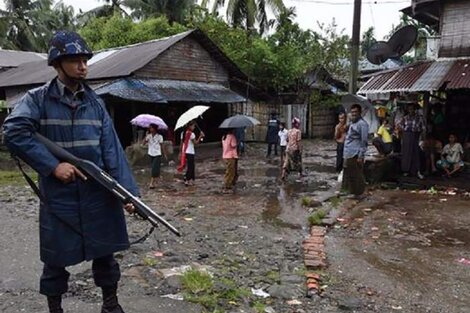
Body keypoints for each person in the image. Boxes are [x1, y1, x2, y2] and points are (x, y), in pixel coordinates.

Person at [2, 31, 137, 313]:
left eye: (85, 60)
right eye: (74, 60)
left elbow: (112, 150)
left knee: (105, 255)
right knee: (55, 259)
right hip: (59, 195)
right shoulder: (37, 99)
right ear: (56, 63)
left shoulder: (96, 103)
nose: (83, 66)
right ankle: (55, 309)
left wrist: (129, 195)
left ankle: (110, 305)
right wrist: (53, 166)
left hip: (98, 191)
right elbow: (13, 132)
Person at [342, 104, 369, 197]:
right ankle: (353, 192)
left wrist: (361, 156)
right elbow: (345, 131)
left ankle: (360, 193)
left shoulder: (362, 124)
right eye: (352, 112)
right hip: (348, 152)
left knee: (357, 174)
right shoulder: (353, 123)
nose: (353, 114)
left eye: (355, 112)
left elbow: (364, 141)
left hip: (355, 153)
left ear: (359, 113)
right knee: (350, 174)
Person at [398, 103, 425, 179]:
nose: (411, 111)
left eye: (412, 109)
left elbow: (423, 128)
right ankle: (406, 171)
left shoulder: (419, 118)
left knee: (415, 153)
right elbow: (400, 126)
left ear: (415, 110)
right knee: (406, 153)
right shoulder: (405, 118)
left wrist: (421, 139)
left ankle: (416, 171)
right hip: (406, 136)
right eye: (409, 109)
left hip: (415, 136)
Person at [177, 120, 204, 186]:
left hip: (184, 152)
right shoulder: (191, 134)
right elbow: (196, 143)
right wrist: (200, 136)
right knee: (191, 167)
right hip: (190, 152)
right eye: (193, 126)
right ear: (189, 126)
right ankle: (187, 178)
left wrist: (180, 152)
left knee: (190, 166)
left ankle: (191, 179)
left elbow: (181, 144)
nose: (194, 127)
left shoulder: (183, 133)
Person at [143, 123, 167, 189]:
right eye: (150, 128)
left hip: (157, 153)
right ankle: (157, 179)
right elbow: (143, 143)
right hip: (151, 153)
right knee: (155, 168)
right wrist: (146, 136)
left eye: (151, 128)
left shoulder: (159, 136)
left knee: (154, 168)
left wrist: (164, 154)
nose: (150, 129)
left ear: (155, 128)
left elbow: (162, 146)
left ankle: (151, 183)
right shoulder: (149, 136)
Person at [222, 129, 238, 193]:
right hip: (231, 156)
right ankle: (228, 185)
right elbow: (233, 145)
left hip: (225, 155)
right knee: (231, 172)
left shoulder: (224, 137)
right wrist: (237, 143)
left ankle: (227, 184)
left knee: (228, 171)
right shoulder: (232, 136)